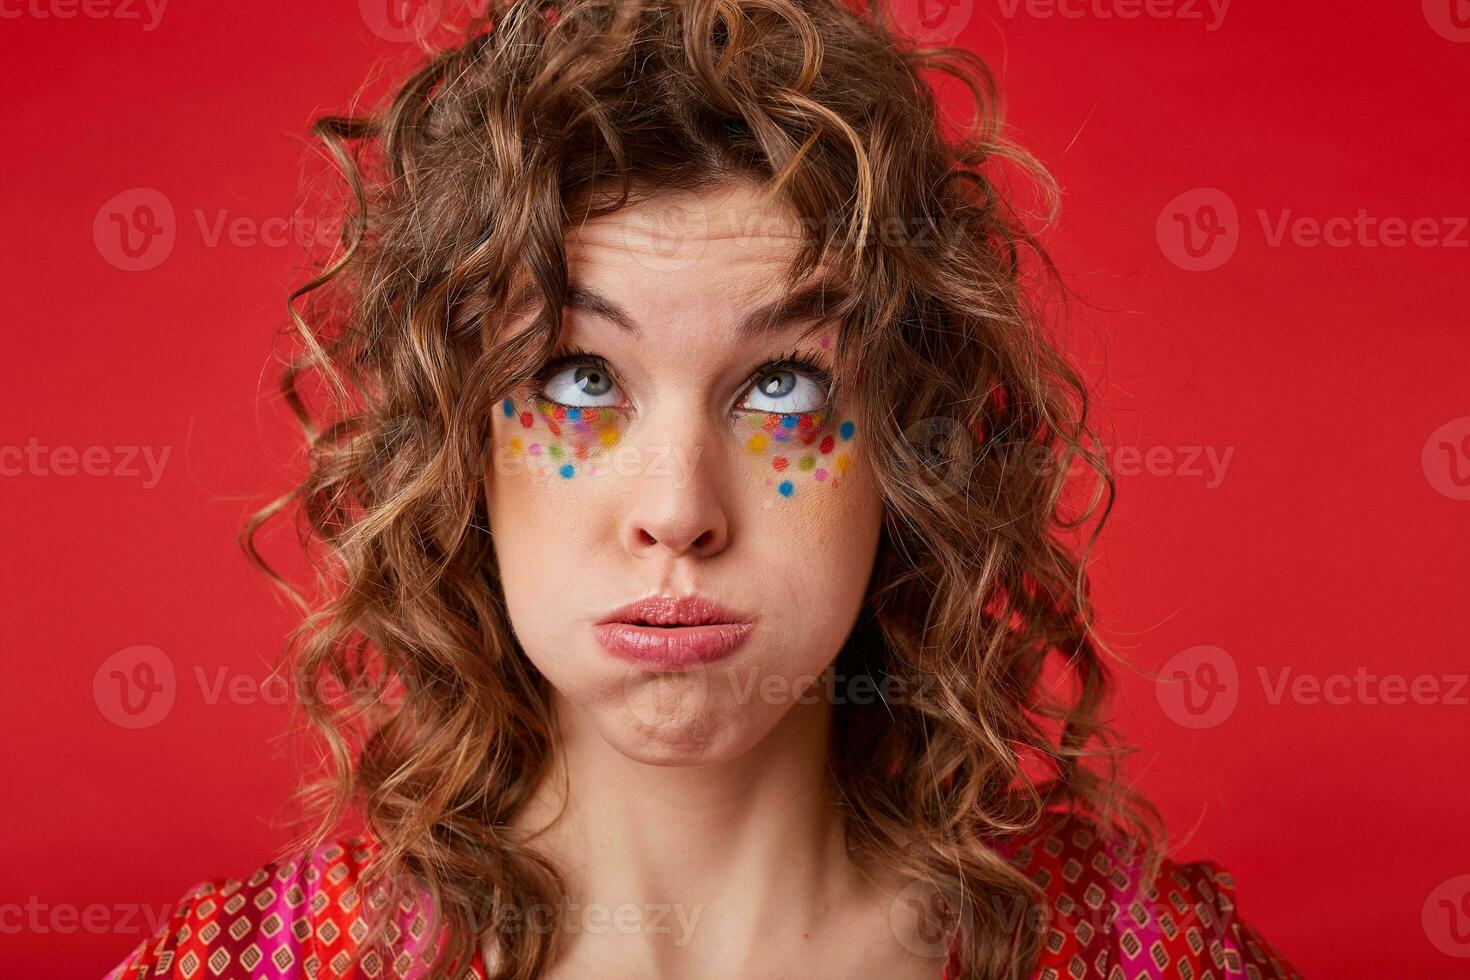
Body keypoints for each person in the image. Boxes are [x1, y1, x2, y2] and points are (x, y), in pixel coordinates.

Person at [107, 0, 1301, 977]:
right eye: (578, 375)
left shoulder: (1134, 953)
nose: (677, 508)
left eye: (782, 388)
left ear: (906, 447)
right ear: (461, 442)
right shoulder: (251, 962)